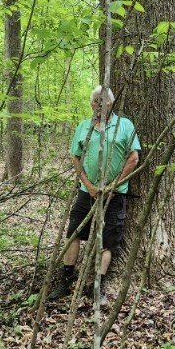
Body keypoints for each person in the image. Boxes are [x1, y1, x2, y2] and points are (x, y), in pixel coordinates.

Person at [47, 85, 140, 301]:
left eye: (100, 101)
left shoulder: (124, 126)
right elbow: (75, 157)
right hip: (85, 192)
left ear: (110, 103)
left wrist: (113, 186)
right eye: (93, 102)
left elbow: (134, 157)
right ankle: (66, 281)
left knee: (108, 240)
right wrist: (88, 185)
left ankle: (99, 287)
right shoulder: (84, 127)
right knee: (73, 234)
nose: (95, 106)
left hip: (115, 195)